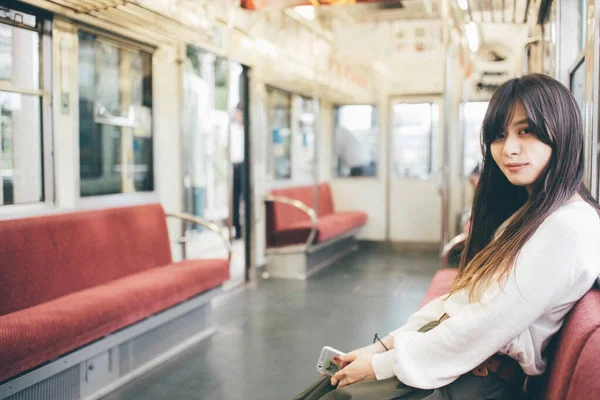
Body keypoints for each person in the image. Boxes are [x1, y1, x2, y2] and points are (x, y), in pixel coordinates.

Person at [294, 74, 600, 399]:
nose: (508, 148)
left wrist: (381, 365)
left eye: (525, 131)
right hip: (452, 361)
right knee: (328, 389)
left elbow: (485, 325)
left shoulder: (568, 227)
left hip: (475, 381)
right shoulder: (533, 214)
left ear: (562, 130)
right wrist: (380, 348)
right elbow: (462, 300)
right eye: (499, 135)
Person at [230, 103, 244, 239]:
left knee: (246, 199)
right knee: (235, 199)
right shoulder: (232, 130)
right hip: (235, 165)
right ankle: (237, 229)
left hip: (245, 165)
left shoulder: (247, 129)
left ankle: (246, 227)